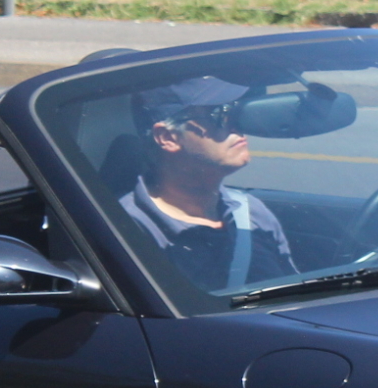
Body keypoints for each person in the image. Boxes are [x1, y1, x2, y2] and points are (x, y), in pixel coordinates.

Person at [117, 78, 298, 292]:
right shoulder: (127, 229)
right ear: (168, 137)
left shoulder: (251, 211)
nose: (237, 125)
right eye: (219, 114)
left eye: (236, 112)